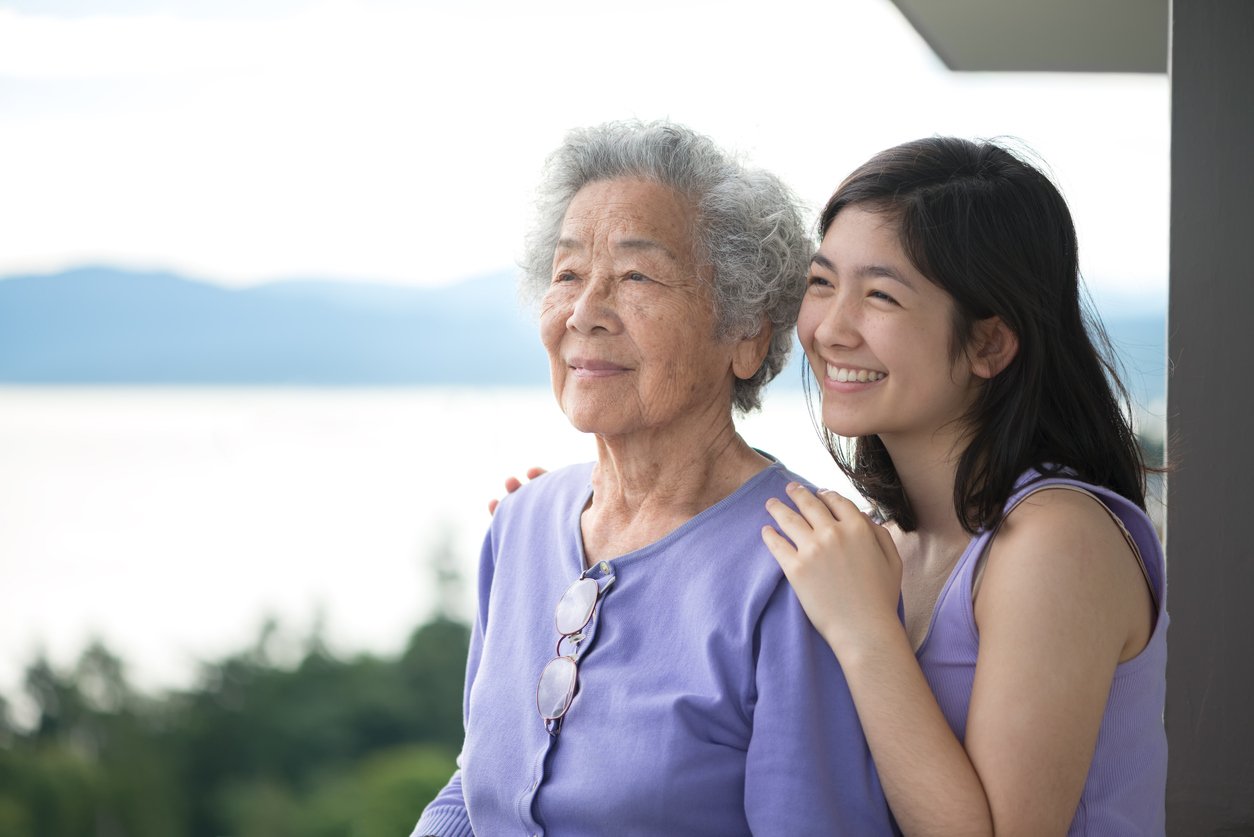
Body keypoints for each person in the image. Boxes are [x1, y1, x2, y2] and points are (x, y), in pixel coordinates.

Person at [412, 121, 895, 836]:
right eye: (568, 273)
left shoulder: (803, 559)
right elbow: (476, 789)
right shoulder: (519, 523)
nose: (584, 312)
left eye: (635, 276)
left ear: (746, 333)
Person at [762, 137, 1167, 835]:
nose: (829, 328)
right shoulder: (891, 542)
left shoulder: (1055, 539)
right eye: (821, 281)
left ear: (989, 344)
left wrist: (865, 632)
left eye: (880, 295)